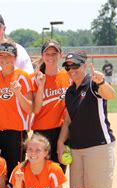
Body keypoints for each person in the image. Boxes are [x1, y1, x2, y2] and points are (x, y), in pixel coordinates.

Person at [58, 51, 117, 188]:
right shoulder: (70, 91)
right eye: (68, 67)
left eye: (76, 66)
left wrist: (101, 82)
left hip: (98, 145)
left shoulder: (93, 84)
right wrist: (60, 142)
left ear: (85, 65)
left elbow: (111, 95)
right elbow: (68, 120)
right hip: (77, 147)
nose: (72, 70)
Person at [0, 40, 33, 176]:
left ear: (15, 57)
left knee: (15, 171)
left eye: (8, 55)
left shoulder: (22, 76)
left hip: (15, 132)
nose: (5, 59)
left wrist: (18, 93)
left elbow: (30, 108)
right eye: (1, 55)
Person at [32, 40, 70, 172]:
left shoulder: (68, 76)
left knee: (58, 174)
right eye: (47, 53)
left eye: (54, 53)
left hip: (62, 132)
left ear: (61, 55)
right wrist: (41, 85)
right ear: (42, 55)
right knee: (40, 173)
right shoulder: (35, 78)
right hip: (41, 132)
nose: (50, 57)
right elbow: (35, 110)